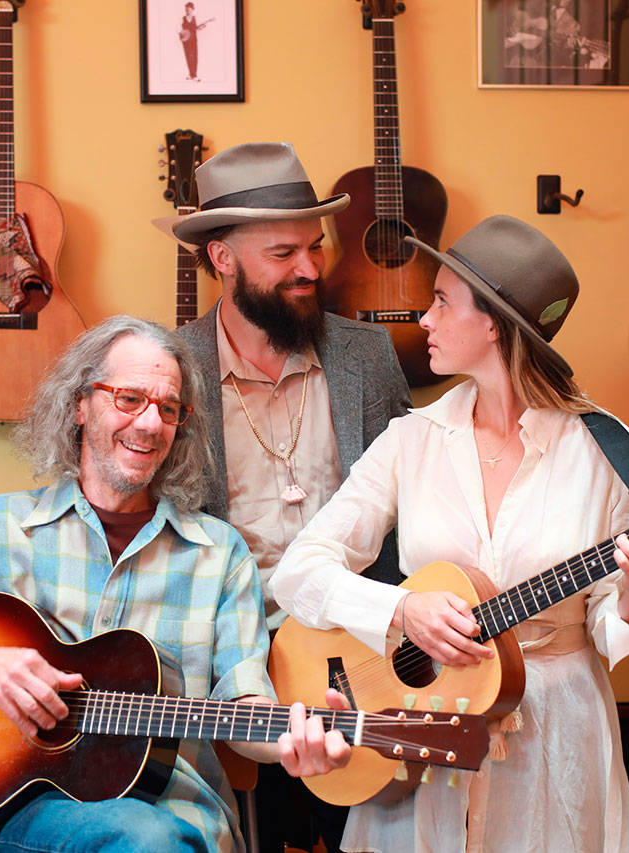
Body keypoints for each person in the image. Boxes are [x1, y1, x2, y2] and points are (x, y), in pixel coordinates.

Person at [0, 316, 351, 853]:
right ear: (80, 405)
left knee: (153, 839)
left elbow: (243, 700)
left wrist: (293, 738)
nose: (150, 424)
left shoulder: (220, 554)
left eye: (168, 408)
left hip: (177, 812)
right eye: (128, 399)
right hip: (31, 813)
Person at [270, 215, 629, 852]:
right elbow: (299, 572)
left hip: (560, 732)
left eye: (439, 301)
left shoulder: (605, 448)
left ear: (493, 323)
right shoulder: (412, 440)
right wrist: (401, 607)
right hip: (424, 721)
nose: (423, 320)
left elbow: (610, 624)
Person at [154, 141, 411, 851]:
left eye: (315, 247)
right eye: (282, 253)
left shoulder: (367, 354)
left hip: (362, 661)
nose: (309, 269)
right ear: (222, 260)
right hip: (234, 671)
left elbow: (406, 511)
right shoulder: (169, 369)